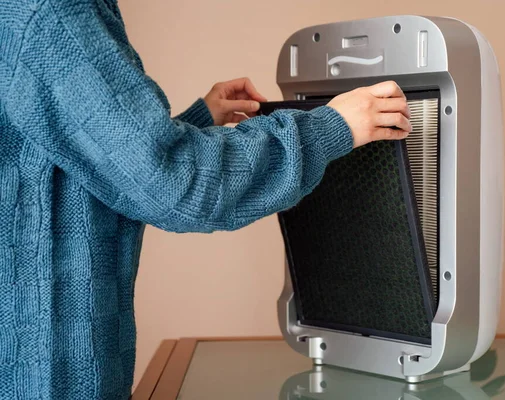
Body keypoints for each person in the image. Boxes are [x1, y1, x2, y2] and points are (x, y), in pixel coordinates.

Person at [0, 0, 412, 398]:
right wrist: (330, 128)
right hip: (47, 371)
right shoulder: (47, 10)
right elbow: (176, 186)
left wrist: (191, 125)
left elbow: (79, 166)